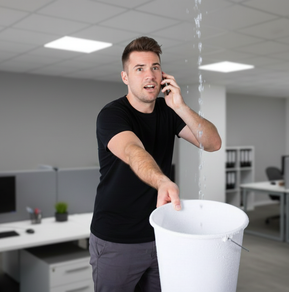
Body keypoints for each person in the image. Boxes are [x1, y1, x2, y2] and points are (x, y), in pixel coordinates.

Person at [89, 36, 221, 292]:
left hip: (161, 233)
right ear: (125, 77)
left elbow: (213, 142)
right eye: (139, 69)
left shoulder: (169, 111)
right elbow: (132, 150)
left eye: (155, 67)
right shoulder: (112, 114)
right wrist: (161, 180)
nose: (150, 75)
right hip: (117, 239)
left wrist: (180, 106)